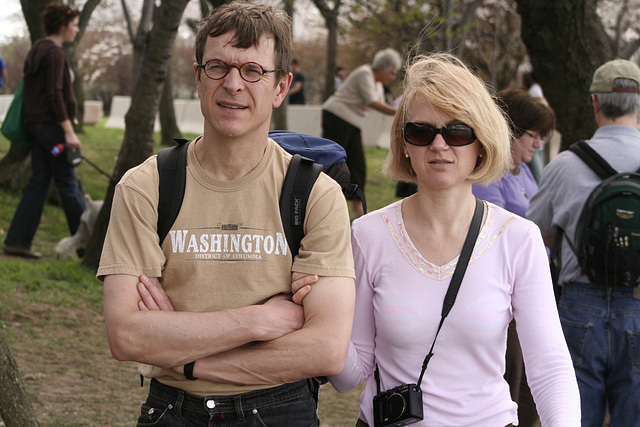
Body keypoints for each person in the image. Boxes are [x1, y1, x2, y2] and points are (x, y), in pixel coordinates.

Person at [98, 2, 355, 426]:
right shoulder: (147, 185)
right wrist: (259, 320)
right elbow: (126, 335)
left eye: (253, 70)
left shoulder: (315, 194)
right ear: (198, 79)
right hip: (172, 411)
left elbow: (325, 349)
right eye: (217, 67)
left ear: (280, 86)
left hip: (281, 410)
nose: (233, 84)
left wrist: (187, 360)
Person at [300, 53, 581, 426]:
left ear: (481, 142)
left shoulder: (517, 238)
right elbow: (351, 374)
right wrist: (317, 314)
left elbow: (549, 366)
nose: (439, 145)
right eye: (421, 131)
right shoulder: (367, 234)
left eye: (458, 131)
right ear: (404, 143)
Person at [527, 58, 640, 427]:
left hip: (579, 305)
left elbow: (534, 233)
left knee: (574, 415)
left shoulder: (565, 165)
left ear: (594, 103)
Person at [472, 88, 556, 427]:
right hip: (503, 295)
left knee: (530, 385)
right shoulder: (488, 177)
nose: (537, 145)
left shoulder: (522, 171)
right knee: (511, 381)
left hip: (529, 291)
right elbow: (495, 234)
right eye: (533, 135)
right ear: (509, 129)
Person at [4, 3, 85, 259]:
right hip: (52, 129)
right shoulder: (55, 53)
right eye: (74, 25)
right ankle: (88, 246)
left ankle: (16, 241)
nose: (76, 29)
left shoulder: (37, 49)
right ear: (62, 26)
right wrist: (68, 130)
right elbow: (54, 94)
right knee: (68, 184)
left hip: (36, 128)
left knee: (39, 182)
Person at [321, 48, 401, 218]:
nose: (393, 77)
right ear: (383, 68)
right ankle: (326, 204)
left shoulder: (377, 84)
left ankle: (358, 208)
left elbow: (378, 101)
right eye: (392, 73)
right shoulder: (364, 73)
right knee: (334, 162)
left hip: (352, 123)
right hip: (336, 118)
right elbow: (372, 102)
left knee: (358, 165)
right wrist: (401, 111)